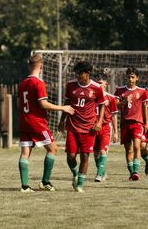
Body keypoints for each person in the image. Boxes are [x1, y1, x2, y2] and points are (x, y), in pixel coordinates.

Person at [17, 54, 75, 192]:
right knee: (53, 149)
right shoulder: (39, 83)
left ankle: (25, 186)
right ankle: (45, 181)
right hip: (36, 123)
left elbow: (19, 104)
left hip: (24, 121)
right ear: (41, 66)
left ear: (29, 65)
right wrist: (62, 107)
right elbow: (43, 104)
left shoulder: (22, 83)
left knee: (25, 153)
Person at [58, 61, 105, 193]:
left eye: (80, 73)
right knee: (71, 157)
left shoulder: (96, 87)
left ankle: (79, 184)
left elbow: (102, 104)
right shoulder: (71, 85)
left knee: (85, 156)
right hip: (72, 126)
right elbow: (67, 102)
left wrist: (100, 122)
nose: (77, 76)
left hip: (89, 128)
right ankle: (75, 174)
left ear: (87, 73)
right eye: (76, 73)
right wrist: (62, 120)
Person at [114, 67, 148, 181]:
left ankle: (136, 171)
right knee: (128, 149)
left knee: (137, 146)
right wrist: (123, 102)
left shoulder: (142, 91)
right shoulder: (120, 90)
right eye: (129, 77)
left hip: (137, 122)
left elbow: (144, 108)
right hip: (125, 123)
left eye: (133, 77)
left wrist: (146, 123)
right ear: (126, 77)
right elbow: (115, 106)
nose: (130, 79)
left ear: (137, 78)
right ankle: (131, 173)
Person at [93, 72, 118, 182]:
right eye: (97, 83)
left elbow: (114, 116)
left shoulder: (111, 98)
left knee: (103, 151)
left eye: (100, 83)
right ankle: (103, 172)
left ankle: (99, 175)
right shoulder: (92, 97)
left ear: (106, 84)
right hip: (93, 128)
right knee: (95, 153)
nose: (98, 85)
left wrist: (116, 132)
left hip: (106, 127)